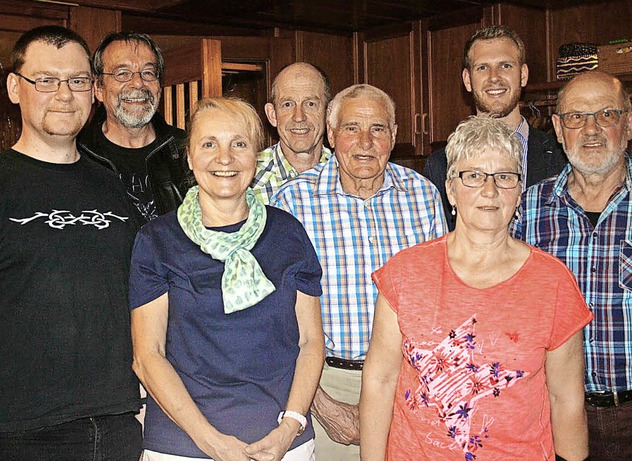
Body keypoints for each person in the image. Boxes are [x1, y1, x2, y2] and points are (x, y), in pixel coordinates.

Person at [362, 115, 592, 461]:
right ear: (451, 190)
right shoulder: (404, 273)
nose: (490, 191)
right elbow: (379, 381)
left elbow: (566, 401)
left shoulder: (553, 282)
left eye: (504, 177)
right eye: (473, 176)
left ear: (519, 190)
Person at [129, 97, 325, 460]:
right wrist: (210, 441)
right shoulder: (157, 241)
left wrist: (289, 427)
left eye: (239, 143)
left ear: (257, 156)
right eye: (209, 144)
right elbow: (147, 356)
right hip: (183, 446)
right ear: (189, 157)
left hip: (284, 445)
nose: (225, 158)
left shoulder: (288, 233)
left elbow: (311, 342)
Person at [271, 84, 446, 460]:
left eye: (378, 129)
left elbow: (442, 306)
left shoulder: (425, 196)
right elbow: (271, 318)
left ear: (395, 135)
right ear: (332, 136)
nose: (365, 141)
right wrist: (320, 404)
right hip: (324, 383)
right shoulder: (291, 202)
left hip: (408, 383)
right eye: (351, 128)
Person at [0, 26, 142, 460]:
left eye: (77, 81)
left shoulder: (111, 185)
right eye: (46, 80)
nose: (64, 94)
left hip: (119, 422)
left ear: (94, 92)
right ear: (15, 88)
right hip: (22, 430)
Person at [514, 70, 632, 461]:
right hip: (550, 414)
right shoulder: (527, 208)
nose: (591, 129)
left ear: (628, 124)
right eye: (576, 117)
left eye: (606, 115)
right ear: (559, 130)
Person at [423, 24, 566, 230]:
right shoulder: (440, 164)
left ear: (523, 75)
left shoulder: (562, 158)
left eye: (505, 66)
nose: (494, 77)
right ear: (467, 80)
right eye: (482, 67)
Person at [78, 32, 188, 222]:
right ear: (98, 89)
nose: (138, 83)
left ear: (159, 87)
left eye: (148, 73)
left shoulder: (187, 149)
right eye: (122, 73)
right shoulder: (77, 155)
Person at [251, 62, 333, 203]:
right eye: (287, 104)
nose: (299, 117)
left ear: (328, 112)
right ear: (272, 115)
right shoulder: (246, 178)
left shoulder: (348, 173)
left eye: (310, 104)